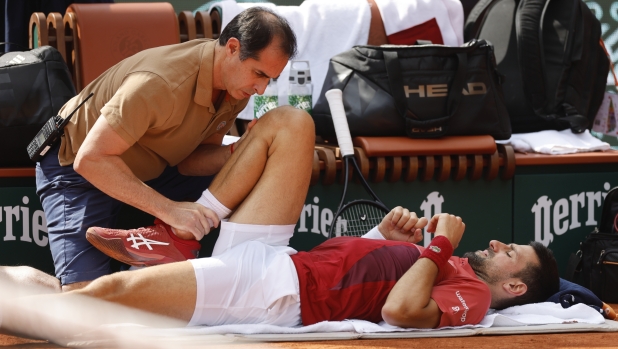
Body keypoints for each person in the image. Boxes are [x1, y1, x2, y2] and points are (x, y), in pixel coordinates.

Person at [1, 109, 560, 340]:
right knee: (290, 122)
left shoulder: (472, 295)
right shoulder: (449, 267)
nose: (497, 242)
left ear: (514, 287)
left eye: (512, 253)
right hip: (278, 256)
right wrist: (382, 240)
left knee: (92, 299)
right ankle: (181, 233)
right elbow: (356, 271)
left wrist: (437, 247)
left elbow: (399, 311)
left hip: (272, 292)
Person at [34, 7, 297, 291]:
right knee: (85, 302)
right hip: (79, 171)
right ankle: (12, 288)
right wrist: (170, 211)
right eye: (259, 73)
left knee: (246, 172)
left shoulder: (235, 89)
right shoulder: (160, 81)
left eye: (270, 79)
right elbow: (90, 159)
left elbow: (190, 163)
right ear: (233, 48)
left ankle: (213, 271)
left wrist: (242, 151)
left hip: (152, 171)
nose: (261, 89)